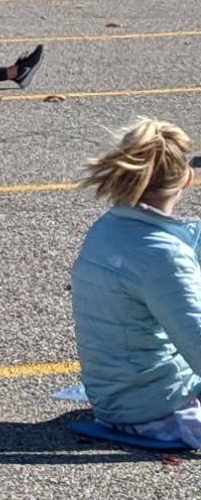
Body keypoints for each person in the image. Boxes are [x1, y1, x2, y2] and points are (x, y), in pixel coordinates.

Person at [71, 118, 201, 448]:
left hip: (116, 400)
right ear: (186, 179)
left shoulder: (109, 229)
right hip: (158, 412)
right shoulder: (164, 257)